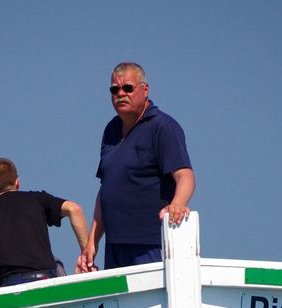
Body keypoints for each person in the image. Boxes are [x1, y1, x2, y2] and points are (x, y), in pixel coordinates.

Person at [77, 62, 195, 272]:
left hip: (149, 244)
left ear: (145, 89)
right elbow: (106, 189)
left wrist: (177, 203)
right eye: (115, 89)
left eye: (128, 88)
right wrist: (92, 242)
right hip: (115, 247)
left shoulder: (162, 126)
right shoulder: (111, 130)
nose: (121, 94)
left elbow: (185, 175)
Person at [0, 157, 89, 294]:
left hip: (8, 295)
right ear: (17, 182)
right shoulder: (37, 200)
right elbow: (74, 209)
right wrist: (86, 255)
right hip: (46, 288)